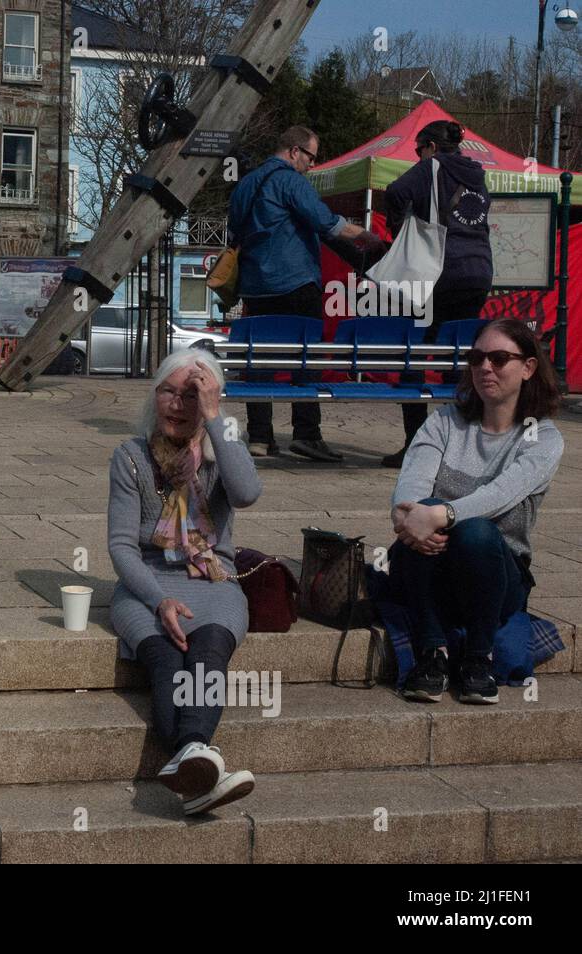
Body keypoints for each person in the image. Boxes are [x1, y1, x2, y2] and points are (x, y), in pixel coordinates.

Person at [108, 349, 261, 815]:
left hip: (214, 579)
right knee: (167, 661)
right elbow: (121, 547)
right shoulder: (130, 456)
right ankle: (200, 762)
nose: (176, 405)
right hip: (147, 583)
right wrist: (160, 601)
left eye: (190, 396)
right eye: (167, 392)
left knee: (209, 650)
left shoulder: (224, 446)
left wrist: (215, 418)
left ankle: (192, 757)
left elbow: (247, 493)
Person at [388, 319, 563, 705]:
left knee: (476, 531)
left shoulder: (542, 437)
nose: (486, 367)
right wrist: (408, 516)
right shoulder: (444, 422)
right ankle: (432, 653)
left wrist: (440, 516)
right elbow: (410, 489)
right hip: (430, 567)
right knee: (425, 508)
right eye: (477, 358)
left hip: (498, 577)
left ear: (528, 368)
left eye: (500, 359)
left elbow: (501, 494)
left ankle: (479, 658)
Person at [228, 126, 383, 461]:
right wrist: (365, 236)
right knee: (306, 358)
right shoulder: (291, 181)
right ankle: (307, 434)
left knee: (258, 361)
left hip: (255, 286)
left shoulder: (245, 184)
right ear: (294, 151)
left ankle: (259, 437)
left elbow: (234, 231)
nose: (312, 165)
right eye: (311, 157)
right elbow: (326, 222)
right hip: (295, 282)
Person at [381, 120, 494, 467]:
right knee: (458, 359)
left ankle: (416, 447)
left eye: (418, 149)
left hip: (439, 272)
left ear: (430, 147)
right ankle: (457, 448)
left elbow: (394, 193)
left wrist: (403, 229)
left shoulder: (431, 167)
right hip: (479, 271)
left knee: (412, 356)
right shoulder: (477, 174)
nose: (418, 156)